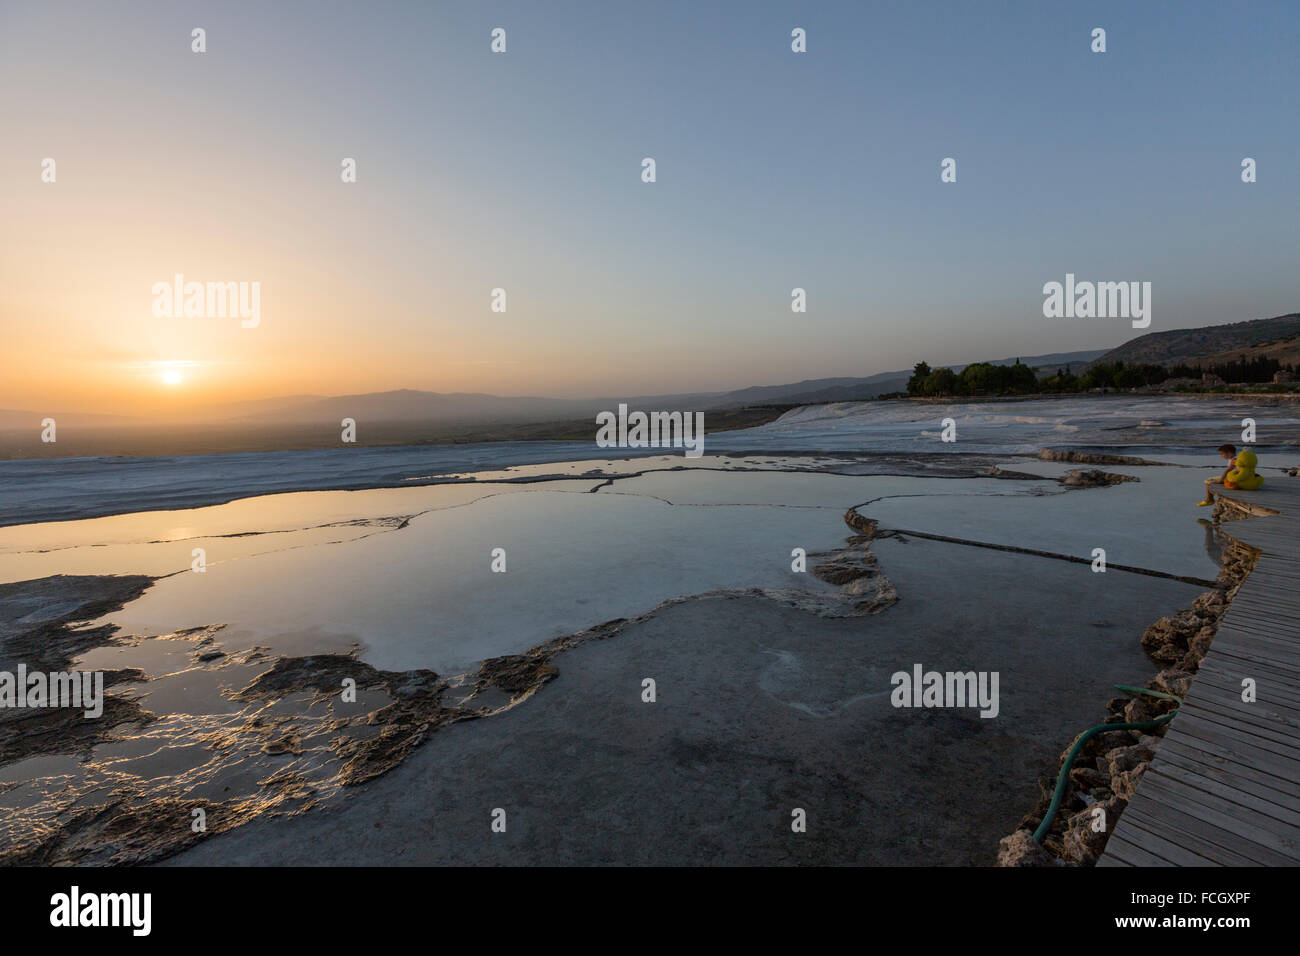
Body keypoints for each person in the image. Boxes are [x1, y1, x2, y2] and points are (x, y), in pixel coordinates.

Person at [1197, 443, 1262, 506]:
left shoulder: (1234, 460)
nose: (1221, 456)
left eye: (1222, 454)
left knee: (1207, 481)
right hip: (1237, 477)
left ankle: (1209, 500)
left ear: (1229, 453)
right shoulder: (1238, 459)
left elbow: (1227, 471)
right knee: (1211, 480)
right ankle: (1209, 499)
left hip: (1234, 478)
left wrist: (1220, 480)